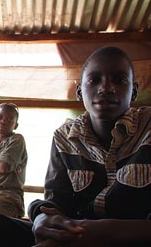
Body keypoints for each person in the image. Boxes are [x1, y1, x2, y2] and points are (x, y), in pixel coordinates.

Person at [28, 46, 151, 247]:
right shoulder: (64, 137)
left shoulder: (148, 128)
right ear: (79, 92)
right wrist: (40, 215)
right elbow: (57, 205)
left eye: (119, 80)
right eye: (94, 80)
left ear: (134, 91)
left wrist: (101, 232)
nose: (106, 88)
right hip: (78, 235)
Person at [0, 102, 28, 218]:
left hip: (5, 197)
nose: (3, 121)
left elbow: (2, 167)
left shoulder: (16, 139)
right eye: (0, 117)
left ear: (16, 125)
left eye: (9, 119)